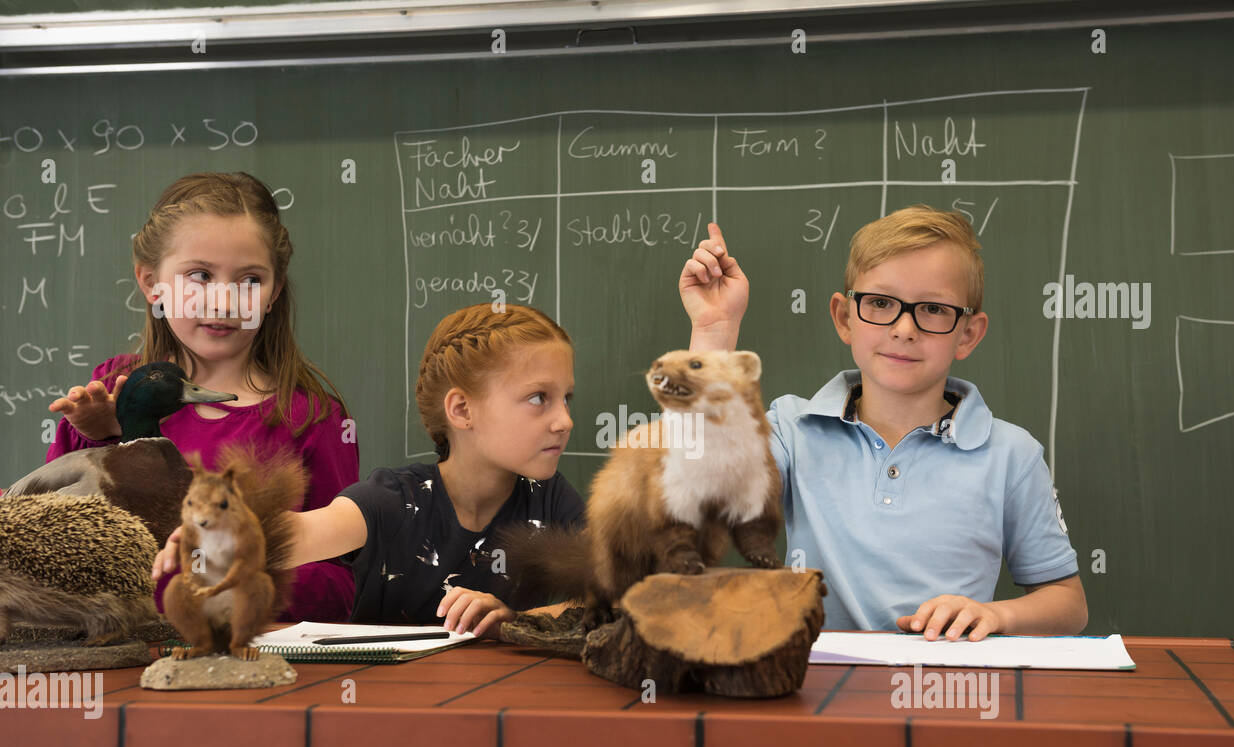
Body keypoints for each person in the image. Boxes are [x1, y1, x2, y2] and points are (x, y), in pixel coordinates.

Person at [677, 209, 1088, 639]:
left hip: (947, 692)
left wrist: (999, 617)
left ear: (967, 334)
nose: (904, 328)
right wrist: (713, 334)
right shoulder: (793, 430)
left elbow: (1068, 603)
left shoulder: (1011, 455)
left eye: (933, 309)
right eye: (880, 303)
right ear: (844, 318)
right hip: (814, 691)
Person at [157, 302, 581, 638]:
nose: (564, 420)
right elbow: (303, 532)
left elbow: (621, 596)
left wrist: (515, 620)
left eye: (567, 399)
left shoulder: (551, 500)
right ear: (462, 409)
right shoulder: (395, 499)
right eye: (539, 398)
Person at [46, 171, 358, 622]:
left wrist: (240, 567)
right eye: (200, 275)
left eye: (250, 279)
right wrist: (99, 439)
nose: (224, 301)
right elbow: (50, 534)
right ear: (152, 282)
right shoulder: (109, 391)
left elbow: (340, 586)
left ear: (274, 292)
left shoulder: (310, 418)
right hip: (118, 659)